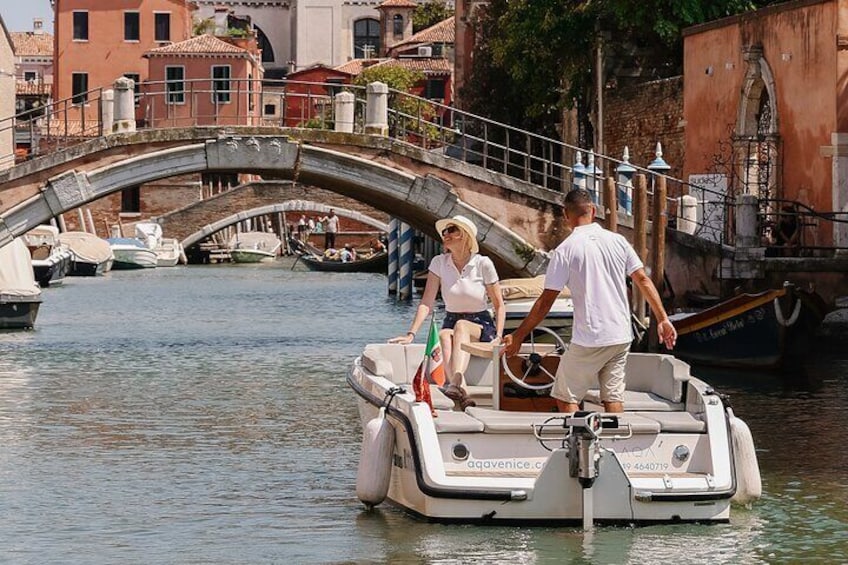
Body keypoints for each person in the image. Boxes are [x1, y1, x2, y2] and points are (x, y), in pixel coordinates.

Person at [503, 188, 677, 414]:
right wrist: (663, 319)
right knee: (612, 396)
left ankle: (577, 447)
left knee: (565, 396)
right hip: (621, 335)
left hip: (590, 337)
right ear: (593, 211)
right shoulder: (618, 241)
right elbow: (642, 279)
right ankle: (615, 444)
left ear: (566, 215)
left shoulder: (565, 250)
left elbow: (545, 303)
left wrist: (518, 336)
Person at [389, 215, 505, 410]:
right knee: (444, 334)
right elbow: (427, 302)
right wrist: (411, 334)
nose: (446, 234)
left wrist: (499, 336)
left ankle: (454, 382)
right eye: (445, 231)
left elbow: (499, 305)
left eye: (452, 230)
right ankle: (462, 391)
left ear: (465, 236)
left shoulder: (483, 263)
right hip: (451, 322)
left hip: (481, 325)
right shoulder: (439, 263)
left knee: (460, 327)